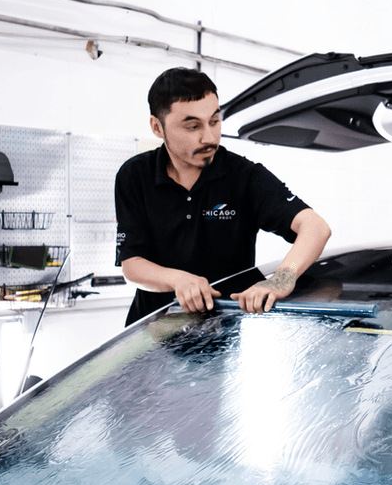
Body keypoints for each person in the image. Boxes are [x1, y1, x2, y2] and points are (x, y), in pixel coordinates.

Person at [115, 67, 331, 326]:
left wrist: (281, 280)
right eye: (193, 126)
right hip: (150, 334)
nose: (209, 137)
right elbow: (132, 265)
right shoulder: (134, 176)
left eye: (214, 121)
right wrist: (178, 280)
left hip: (220, 338)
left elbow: (315, 227)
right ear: (157, 127)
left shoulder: (243, 176)